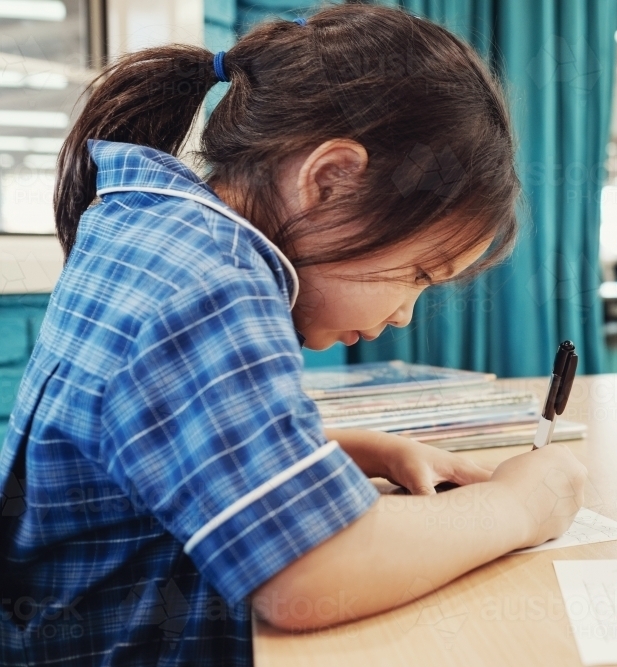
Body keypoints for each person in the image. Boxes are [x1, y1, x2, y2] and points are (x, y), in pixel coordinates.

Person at [0, 6, 587, 665]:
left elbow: (143, 434)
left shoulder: (150, 226)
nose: (405, 316)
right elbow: (308, 571)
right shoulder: (212, 282)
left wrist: (351, 447)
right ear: (329, 180)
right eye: (418, 273)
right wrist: (520, 504)